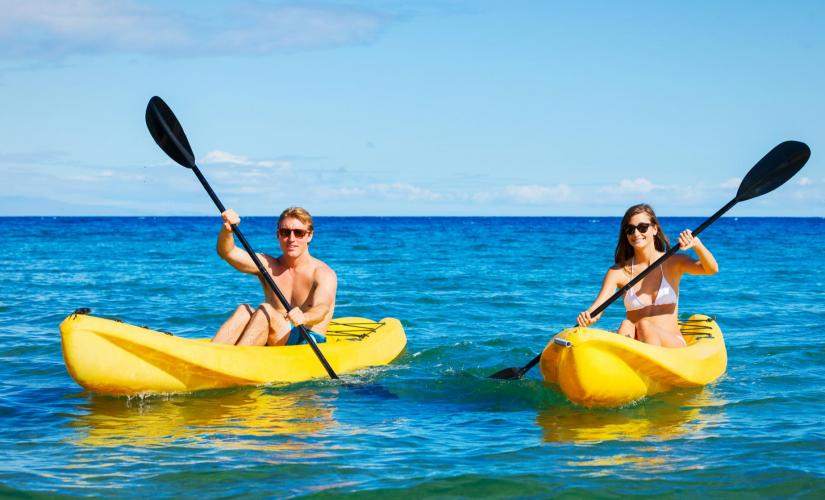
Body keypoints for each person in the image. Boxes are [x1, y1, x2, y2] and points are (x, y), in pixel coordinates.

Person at [576, 203, 718, 347]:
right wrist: (587, 316)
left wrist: (697, 245)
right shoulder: (617, 272)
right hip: (638, 346)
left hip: (672, 344)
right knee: (626, 325)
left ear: (654, 229)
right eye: (630, 229)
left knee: (644, 325)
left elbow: (711, 269)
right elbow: (597, 309)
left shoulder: (673, 262)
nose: (636, 233)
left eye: (642, 227)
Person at [211, 207, 337, 346]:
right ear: (278, 235)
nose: (291, 239)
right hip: (276, 336)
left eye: (299, 233)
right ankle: (209, 356)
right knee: (244, 310)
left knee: (266, 311)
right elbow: (227, 252)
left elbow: (322, 308)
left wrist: (305, 317)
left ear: (309, 235)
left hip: (307, 340)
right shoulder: (268, 265)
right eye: (285, 232)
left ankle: (238, 361)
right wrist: (227, 230)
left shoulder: (322, 273)